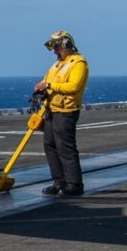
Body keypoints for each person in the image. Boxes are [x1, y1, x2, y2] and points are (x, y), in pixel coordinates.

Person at [35, 30, 89, 197]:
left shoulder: (78, 63)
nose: (55, 52)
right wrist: (41, 87)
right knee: (50, 146)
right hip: (51, 110)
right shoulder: (57, 65)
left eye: (57, 48)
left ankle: (74, 184)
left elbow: (74, 86)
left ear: (66, 45)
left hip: (66, 111)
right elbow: (47, 80)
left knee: (65, 148)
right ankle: (59, 182)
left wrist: (50, 86)